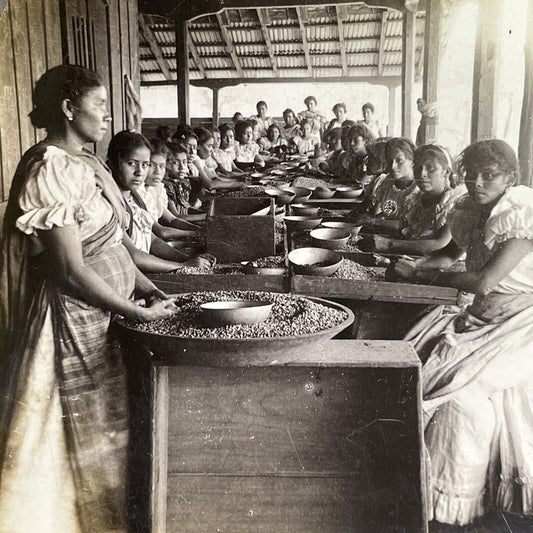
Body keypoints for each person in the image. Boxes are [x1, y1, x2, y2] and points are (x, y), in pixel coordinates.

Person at [0, 65, 178, 533]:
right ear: (68, 108)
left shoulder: (86, 164)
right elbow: (69, 269)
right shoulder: (51, 167)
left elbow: (114, 246)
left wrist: (148, 286)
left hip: (106, 317)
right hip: (71, 319)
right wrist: (137, 311)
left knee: (106, 429)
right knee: (74, 437)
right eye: (98, 105)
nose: (105, 116)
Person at [392, 139, 533, 527]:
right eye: (472, 174)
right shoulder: (471, 209)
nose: (477, 182)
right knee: (419, 361)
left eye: (490, 175)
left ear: (510, 178)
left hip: (518, 323)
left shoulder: (519, 213)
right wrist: (415, 262)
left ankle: (459, 503)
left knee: (460, 392)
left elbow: (486, 281)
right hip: (480, 317)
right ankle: (421, 489)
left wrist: (425, 273)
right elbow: (451, 256)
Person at [107, 131, 207, 266]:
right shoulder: (112, 204)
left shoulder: (135, 198)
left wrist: (184, 259)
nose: (139, 172)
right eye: (131, 163)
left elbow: (152, 241)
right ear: (113, 163)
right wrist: (183, 265)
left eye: (144, 165)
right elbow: (134, 256)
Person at [360, 144, 467, 255]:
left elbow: (439, 243)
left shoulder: (453, 202)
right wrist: (374, 224)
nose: (422, 174)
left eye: (430, 168)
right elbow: (405, 224)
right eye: (418, 168)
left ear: (447, 172)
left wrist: (389, 243)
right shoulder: (419, 198)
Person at [351, 137, 418, 230]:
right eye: (390, 161)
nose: (393, 166)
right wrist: (372, 218)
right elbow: (390, 213)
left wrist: (373, 221)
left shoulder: (418, 189)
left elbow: (406, 224)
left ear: (412, 161)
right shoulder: (388, 182)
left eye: (399, 161)